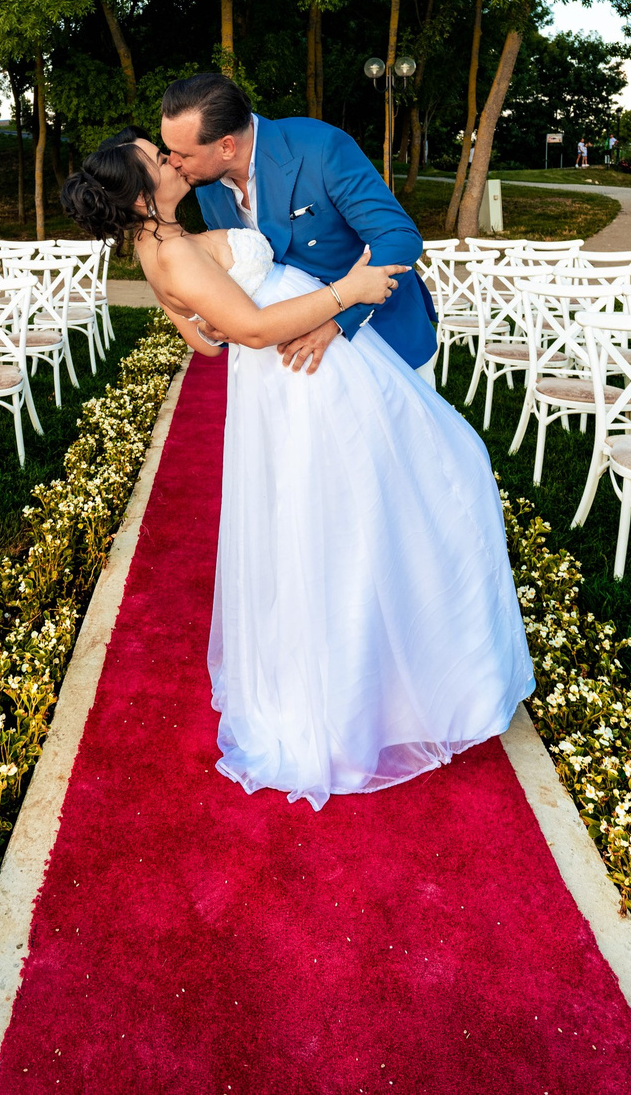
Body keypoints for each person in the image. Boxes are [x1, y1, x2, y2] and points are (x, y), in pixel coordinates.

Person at [62, 121, 535, 809]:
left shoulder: (156, 247)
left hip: (298, 373)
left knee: (401, 493)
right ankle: (385, 686)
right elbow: (251, 330)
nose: (168, 161)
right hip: (306, 374)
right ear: (140, 196)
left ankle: (395, 672)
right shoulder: (173, 247)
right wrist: (351, 291)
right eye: (154, 160)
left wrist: (222, 317)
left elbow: (206, 342)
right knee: (413, 491)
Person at [154, 72, 436, 376]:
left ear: (226, 147)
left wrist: (336, 322)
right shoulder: (207, 185)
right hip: (290, 364)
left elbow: (398, 237)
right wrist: (219, 320)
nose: (172, 162)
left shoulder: (321, 147)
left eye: (182, 153)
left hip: (384, 336)